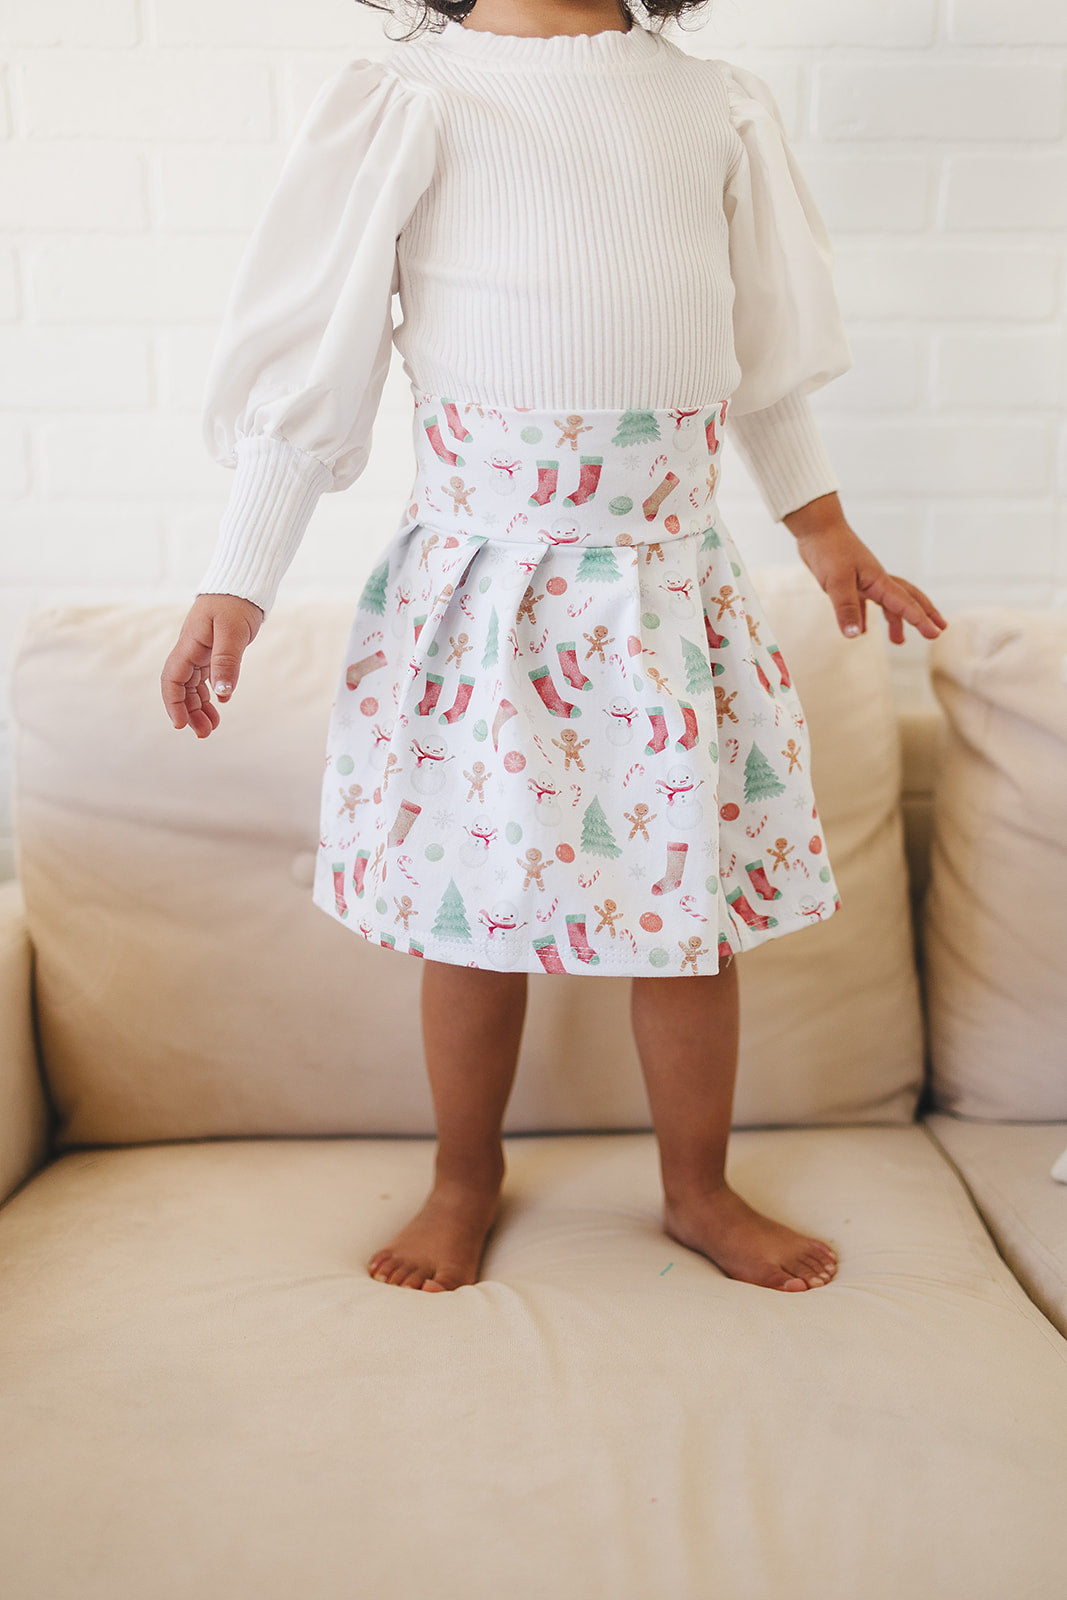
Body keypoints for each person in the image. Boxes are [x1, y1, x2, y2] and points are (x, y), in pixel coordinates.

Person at [161, 0, 948, 1296]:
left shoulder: (712, 105)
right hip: (483, 599)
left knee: (687, 920)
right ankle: (463, 1175)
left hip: (662, 600)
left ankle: (696, 1188)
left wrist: (823, 526)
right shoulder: (410, 99)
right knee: (473, 920)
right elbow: (316, 367)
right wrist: (238, 581)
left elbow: (760, 362)